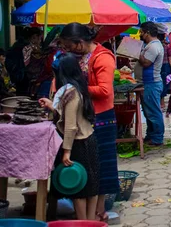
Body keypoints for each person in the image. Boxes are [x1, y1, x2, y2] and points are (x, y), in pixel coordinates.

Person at [59, 23, 119, 222]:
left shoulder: (103, 57)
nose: (68, 50)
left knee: (100, 166)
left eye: (69, 46)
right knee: (90, 167)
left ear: (80, 42)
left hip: (101, 116)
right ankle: (93, 215)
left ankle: (98, 211)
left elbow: (104, 90)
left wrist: (77, 87)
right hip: (87, 115)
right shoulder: (81, 56)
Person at [40, 54, 100, 220]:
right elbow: (68, 115)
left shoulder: (70, 92)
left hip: (79, 143)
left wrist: (67, 151)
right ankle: (90, 221)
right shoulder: (77, 87)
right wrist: (52, 106)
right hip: (88, 139)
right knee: (91, 184)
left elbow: (71, 125)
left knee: (78, 186)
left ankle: (84, 222)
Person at [137, 22, 165, 146]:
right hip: (148, 83)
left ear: (147, 32)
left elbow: (146, 63)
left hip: (152, 83)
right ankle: (151, 135)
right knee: (149, 111)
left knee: (153, 112)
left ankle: (157, 137)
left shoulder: (153, 46)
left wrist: (136, 53)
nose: (141, 35)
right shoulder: (151, 45)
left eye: (142, 32)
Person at [158, 29, 171, 110]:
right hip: (166, 66)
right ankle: (162, 103)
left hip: (158, 67)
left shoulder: (157, 46)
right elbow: (170, 59)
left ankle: (161, 102)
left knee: (160, 83)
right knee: (165, 84)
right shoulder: (166, 47)